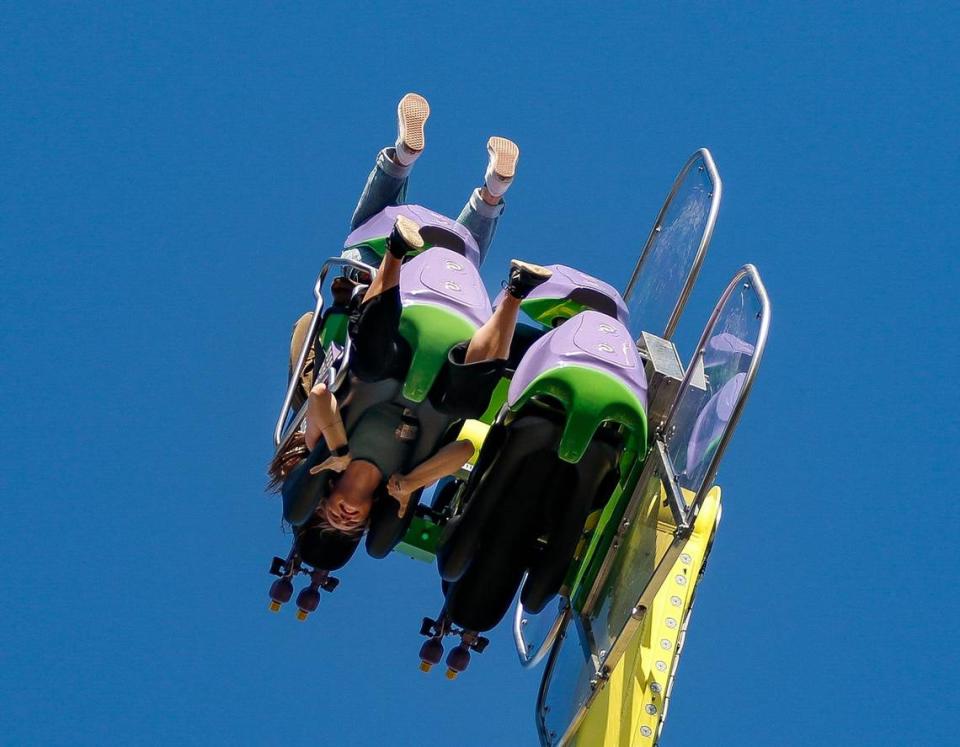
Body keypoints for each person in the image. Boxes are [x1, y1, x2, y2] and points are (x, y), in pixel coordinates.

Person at [278, 215, 552, 539]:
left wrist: (337, 451)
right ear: (368, 517)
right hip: (443, 382)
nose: (343, 519)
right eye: (352, 526)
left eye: (329, 518)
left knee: (368, 367)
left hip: (389, 358)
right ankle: (517, 289)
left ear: (322, 500)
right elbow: (463, 450)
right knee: (465, 405)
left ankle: (397, 249)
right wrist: (412, 483)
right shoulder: (402, 477)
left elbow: (321, 395)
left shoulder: (320, 448)